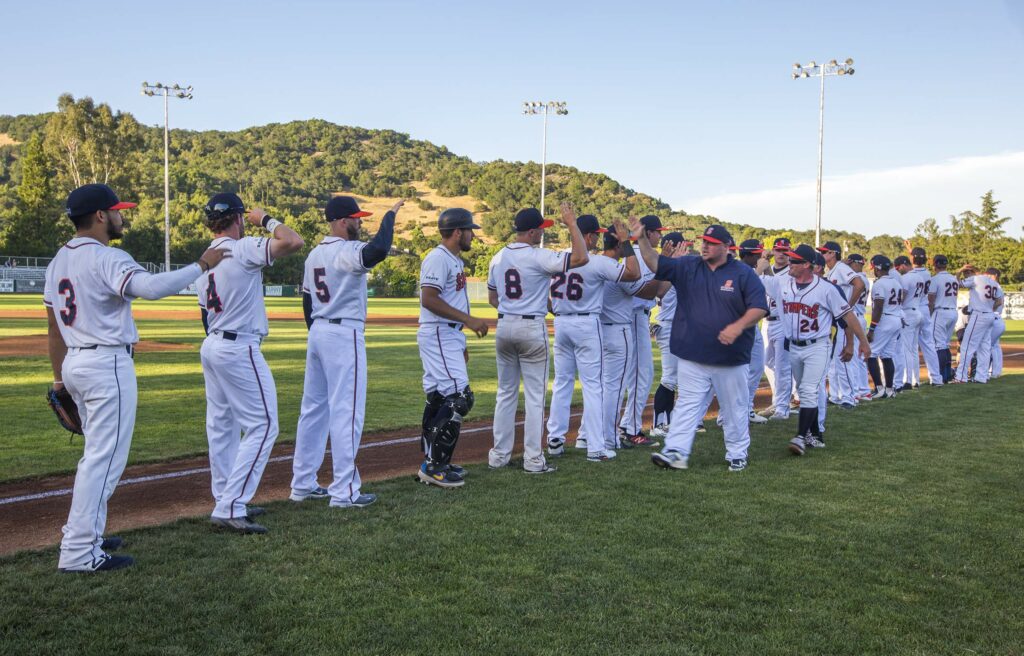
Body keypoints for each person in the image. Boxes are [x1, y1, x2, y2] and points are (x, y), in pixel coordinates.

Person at [44, 183, 229, 571]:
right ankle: (80, 553)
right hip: (106, 365)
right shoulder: (106, 257)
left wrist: (60, 381)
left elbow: (53, 328)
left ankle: (84, 533)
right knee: (104, 461)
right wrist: (202, 265)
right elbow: (149, 288)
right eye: (117, 210)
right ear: (100, 216)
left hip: (76, 364)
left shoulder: (58, 259)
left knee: (94, 458)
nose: (121, 215)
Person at [196, 193, 304, 534]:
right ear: (239, 218)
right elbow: (293, 241)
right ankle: (231, 505)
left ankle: (225, 497)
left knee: (222, 427)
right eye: (244, 217)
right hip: (238, 347)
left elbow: (203, 313)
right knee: (265, 424)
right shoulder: (239, 249)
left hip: (213, 343)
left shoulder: (207, 259)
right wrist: (267, 220)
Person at [289, 196, 401, 506]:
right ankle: (344, 492)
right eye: (356, 218)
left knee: (312, 411)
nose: (360, 222)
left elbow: (308, 302)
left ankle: (302, 484)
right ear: (342, 222)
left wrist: (316, 333)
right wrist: (389, 217)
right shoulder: (346, 250)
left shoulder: (314, 254)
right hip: (343, 333)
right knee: (346, 412)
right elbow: (377, 250)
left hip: (319, 332)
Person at [636, 223, 768, 473]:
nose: (704, 245)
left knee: (734, 407)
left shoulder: (742, 273)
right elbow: (656, 263)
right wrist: (642, 239)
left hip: (729, 358)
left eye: (711, 242)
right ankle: (675, 452)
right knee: (687, 404)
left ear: (726, 247)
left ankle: (737, 453)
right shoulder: (689, 265)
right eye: (703, 241)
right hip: (692, 354)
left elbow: (759, 306)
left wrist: (738, 326)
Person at [487, 203, 588, 473]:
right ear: (531, 232)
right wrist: (572, 224)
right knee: (534, 397)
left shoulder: (497, 256)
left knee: (505, 393)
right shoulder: (537, 256)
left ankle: (499, 456)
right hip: (531, 328)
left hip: (504, 325)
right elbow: (580, 258)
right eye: (540, 230)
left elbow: (492, 297)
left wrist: (513, 309)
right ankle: (533, 460)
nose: (542, 234)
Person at [546, 215, 639, 462]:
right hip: (586, 322)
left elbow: (546, 297)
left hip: (561, 321)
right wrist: (626, 242)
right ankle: (596, 447)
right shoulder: (595, 261)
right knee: (593, 385)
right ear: (587, 236)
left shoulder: (557, 257)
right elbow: (633, 273)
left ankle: (555, 439)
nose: (598, 239)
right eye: (595, 235)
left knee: (563, 382)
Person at [770, 245, 870, 456]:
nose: (790, 263)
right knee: (805, 388)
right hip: (794, 346)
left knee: (807, 390)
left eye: (795, 261)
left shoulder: (826, 289)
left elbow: (848, 316)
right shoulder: (783, 282)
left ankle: (800, 436)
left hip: (818, 345)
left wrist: (862, 341)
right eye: (790, 260)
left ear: (808, 265)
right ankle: (815, 435)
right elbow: (756, 281)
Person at [415, 208, 489, 487]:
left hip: (448, 335)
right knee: (460, 397)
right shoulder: (437, 259)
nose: (473, 235)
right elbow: (429, 299)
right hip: (439, 334)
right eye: (470, 230)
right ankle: (434, 466)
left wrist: (461, 339)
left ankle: (436, 461)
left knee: (438, 397)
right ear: (458, 232)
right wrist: (468, 321)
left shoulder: (452, 260)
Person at [618, 215, 668, 444]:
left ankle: (626, 426)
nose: (660, 235)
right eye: (658, 231)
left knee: (632, 377)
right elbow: (653, 292)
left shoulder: (638, 255)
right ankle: (631, 429)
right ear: (648, 233)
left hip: (635, 318)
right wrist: (665, 266)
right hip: (633, 317)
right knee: (640, 376)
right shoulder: (639, 256)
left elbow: (661, 291)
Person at [818, 241, 866, 408]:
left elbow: (859, 284)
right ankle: (838, 395)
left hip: (846, 319)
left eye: (824, 252)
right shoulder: (833, 270)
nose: (822, 255)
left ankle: (849, 397)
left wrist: (848, 307)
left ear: (833, 253)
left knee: (844, 358)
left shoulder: (841, 268)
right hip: (837, 320)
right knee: (835, 360)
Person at [650, 232, 685, 439]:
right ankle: (657, 424)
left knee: (682, 378)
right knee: (669, 378)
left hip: (679, 326)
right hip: (669, 325)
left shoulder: (677, 267)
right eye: (681, 246)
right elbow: (660, 292)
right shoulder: (668, 267)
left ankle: (669, 422)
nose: (685, 250)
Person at [760, 238, 794, 420]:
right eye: (778, 250)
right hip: (767, 321)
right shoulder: (770, 270)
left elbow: (775, 289)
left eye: (785, 250)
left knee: (782, 367)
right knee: (767, 363)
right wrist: (765, 265)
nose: (781, 254)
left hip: (783, 321)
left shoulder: (791, 272)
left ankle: (782, 407)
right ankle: (779, 400)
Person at [954, 264, 1003, 383]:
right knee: (984, 347)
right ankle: (981, 377)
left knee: (967, 346)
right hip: (990, 315)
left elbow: (956, 284)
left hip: (978, 315)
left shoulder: (976, 279)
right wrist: (989, 308)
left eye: (967, 273)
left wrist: (960, 270)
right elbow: (999, 301)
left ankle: (961, 377)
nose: (966, 275)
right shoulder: (995, 284)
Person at [865, 255, 904, 399]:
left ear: (877, 268)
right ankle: (889, 389)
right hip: (896, 319)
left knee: (871, 353)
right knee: (887, 356)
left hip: (885, 319)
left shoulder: (879, 284)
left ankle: (879, 388)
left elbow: (878, 307)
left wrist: (872, 328)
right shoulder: (896, 282)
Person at [906, 244, 943, 385]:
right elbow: (917, 260)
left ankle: (912, 380)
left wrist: (911, 254)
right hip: (925, 309)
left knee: (910, 347)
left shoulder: (912, 274)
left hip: (913, 308)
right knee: (929, 345)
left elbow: (913, 263)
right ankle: (936, 378)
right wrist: (912, 252)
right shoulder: (927, 273)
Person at [893, 255, 926, 390]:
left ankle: (907, 380)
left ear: (904, 264)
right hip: (917, 310)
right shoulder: (919, 276)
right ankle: (915, 380)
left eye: (898, 267)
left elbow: (903, 296)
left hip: (908, 312)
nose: (898, 270)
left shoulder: (906, 277)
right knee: (913, 349)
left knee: (906, 348)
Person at [846, 254, 873, 400]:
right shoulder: (864, 279)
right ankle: (864, 389)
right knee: (860, 356)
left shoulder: (855, 278)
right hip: (860, 317)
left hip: (854, 316)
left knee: (854, 357)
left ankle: (855, 391)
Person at [929, 255, 959, 383]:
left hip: (940, 312)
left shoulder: (935, 279)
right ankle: (946, 375)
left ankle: (939, 377)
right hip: (953, 312)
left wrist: (928, 315)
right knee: (945, 344)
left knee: (939, 345)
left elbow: (931, 300)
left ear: (935, 264)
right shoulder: (954, 279)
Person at [987, 268, 1006, 379]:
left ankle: (991, 372)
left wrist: (987, 308)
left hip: (993, 318)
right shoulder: (998, 286)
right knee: (995, 346)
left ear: (994, 275)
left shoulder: (994, 286)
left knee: (988, 345)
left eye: (989, 275)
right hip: (998, 318)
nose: (987, 277)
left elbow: (997, 302)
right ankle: (997, 371)